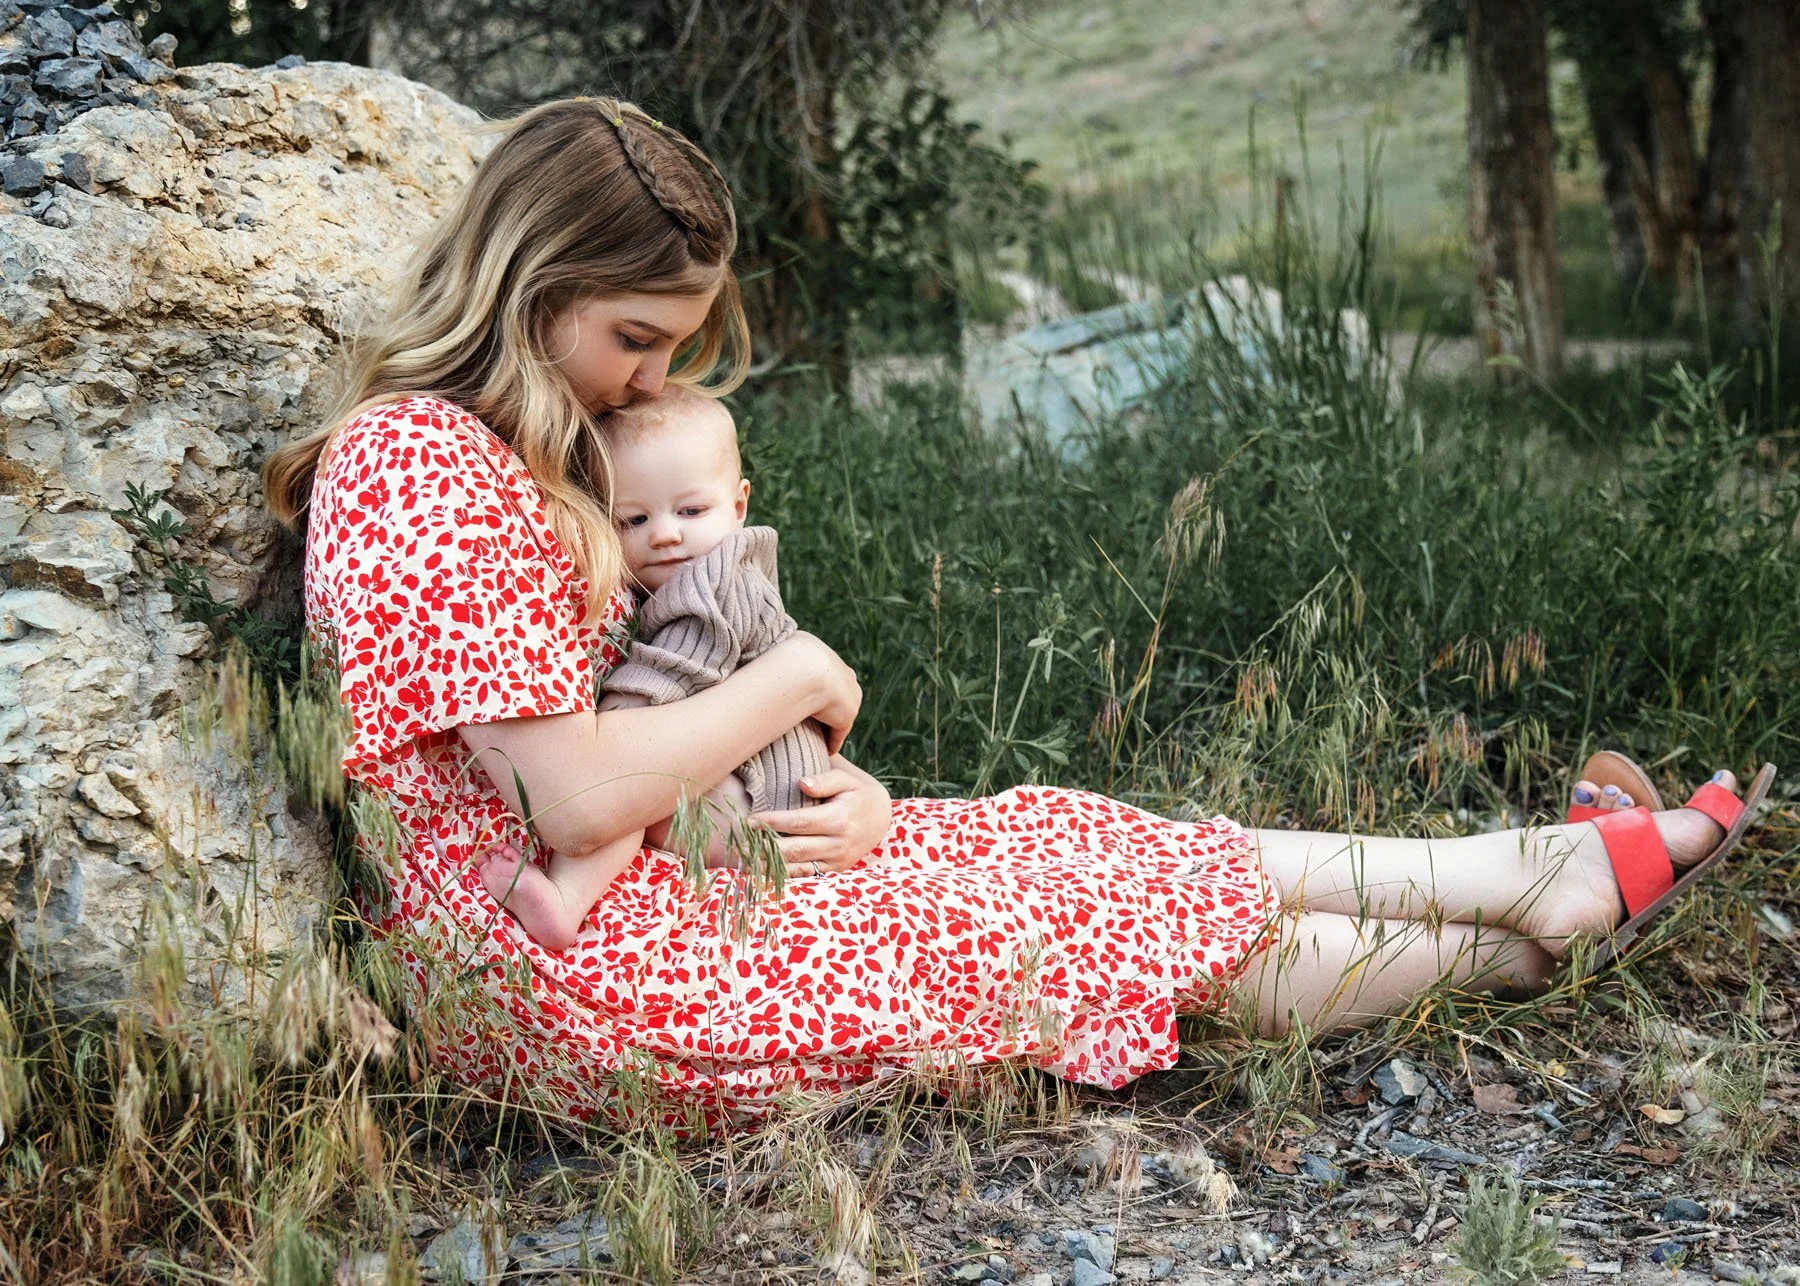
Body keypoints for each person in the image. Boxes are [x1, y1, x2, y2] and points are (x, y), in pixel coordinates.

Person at [266, 96, 1770, 1128]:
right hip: (569, 978)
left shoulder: (505, 455)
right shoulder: (416, 458)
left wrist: (828, 804)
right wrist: (801, 673)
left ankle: (1531, 881)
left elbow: (631, 731)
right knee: (1052, 915)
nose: (653, 382)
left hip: (671, 893)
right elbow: (575, 786)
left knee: (1059, 833)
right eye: (636, 338)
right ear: (535, 283)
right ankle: (1531, 910)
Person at [476, 386, 830, 949]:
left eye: (691, 511)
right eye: (633, 520)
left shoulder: (715, 584)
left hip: (761, 810)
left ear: (738, 506)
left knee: (629, 797)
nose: (664, 533)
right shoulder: (696, 575)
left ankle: (566, 902)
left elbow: (674, 670)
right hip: (767, 795)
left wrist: (612, 727)